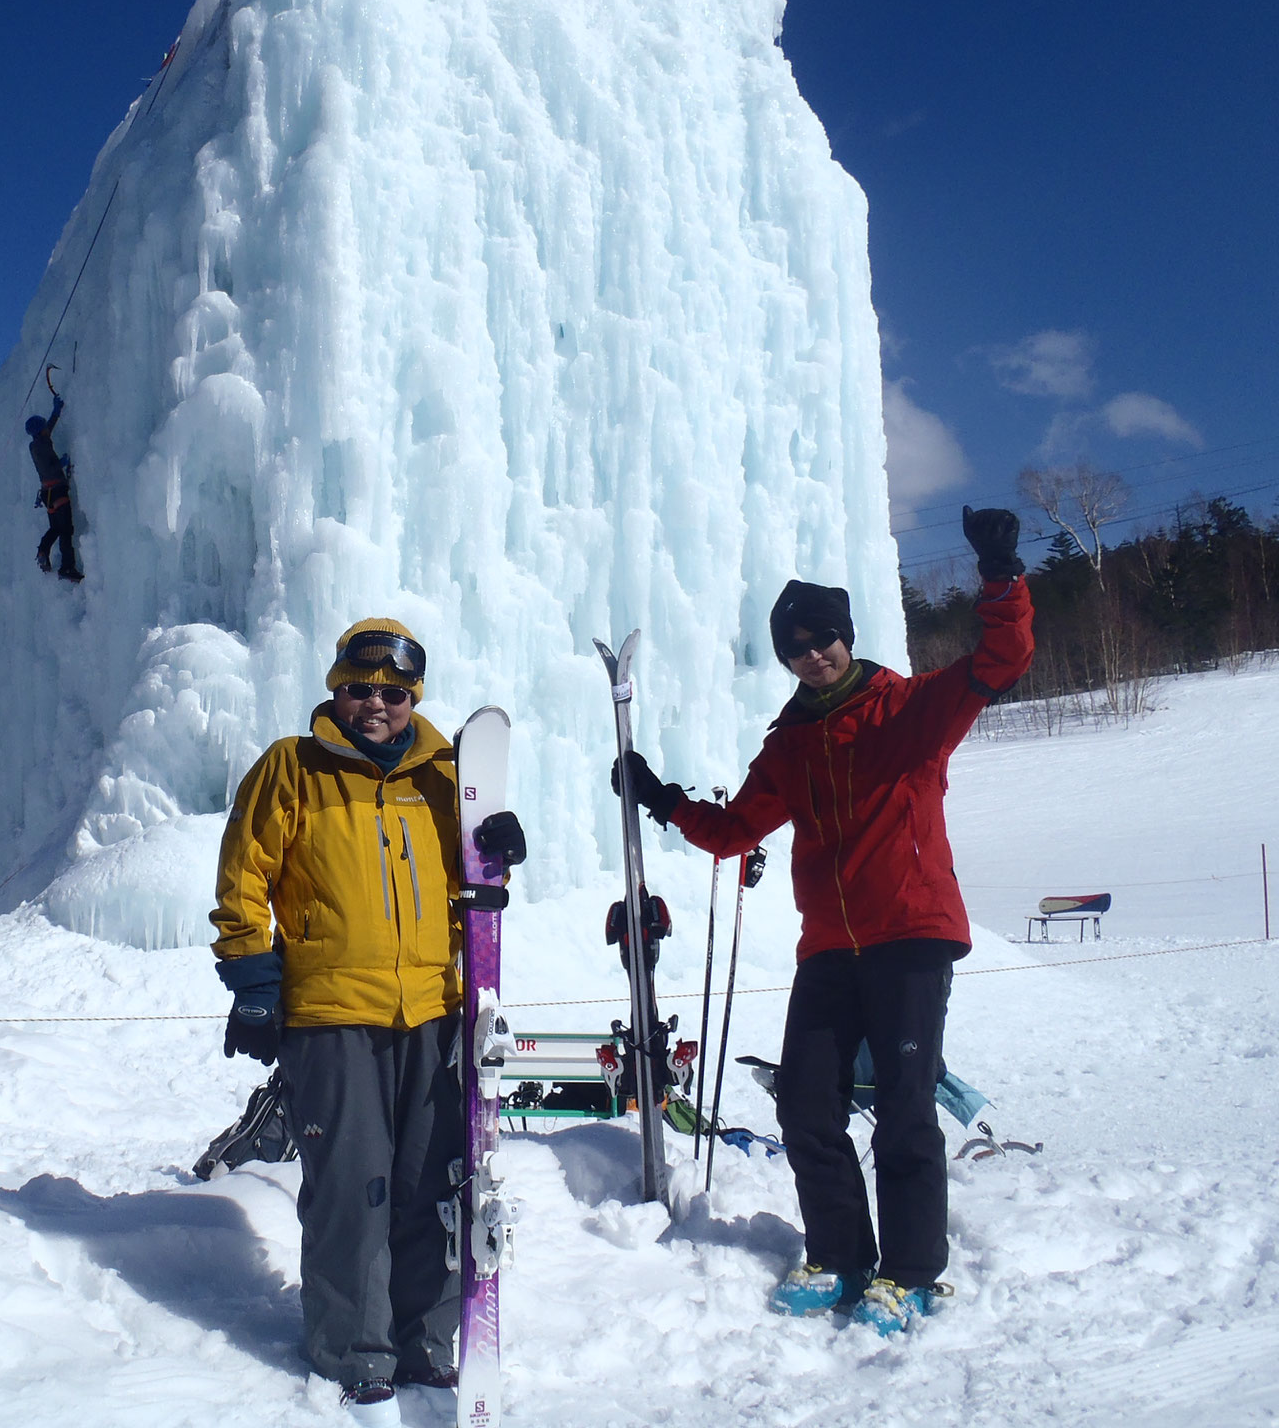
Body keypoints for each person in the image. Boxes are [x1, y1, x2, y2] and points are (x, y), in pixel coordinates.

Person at [613, 506, 1033, 1335]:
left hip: (911, 935)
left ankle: (911, 1273)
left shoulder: (909, 710)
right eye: (796, 647)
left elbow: (1003, 657)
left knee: (906, 1107)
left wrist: (1001, 577)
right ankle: (841, 1254)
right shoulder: (790, 744)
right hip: (830, 948)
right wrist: (662, 799)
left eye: (823, 639)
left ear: (845, 635)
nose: (813, 654)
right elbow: (736, 831)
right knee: (807, 1101)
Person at [210, 619, 526, 1419]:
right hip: (331, 1014)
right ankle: (353, 1347)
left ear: (413, 697)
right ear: (335, 690)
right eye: (360, 690)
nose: (375, 705)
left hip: (433, 1011)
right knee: (355, 1187)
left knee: (429, 1183)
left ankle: (423, 1341)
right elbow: (244, 876)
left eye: (393, 693)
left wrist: (503, 848)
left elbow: (475, 885)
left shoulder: (444, 774)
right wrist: (252, 978)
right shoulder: (292, 767)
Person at [25, 389, 82, 582]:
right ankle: (67, 567)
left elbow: (49, 428)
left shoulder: (37, 443)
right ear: (40, 430)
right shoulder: (42, 445)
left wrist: (56, 412)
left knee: (55, 529)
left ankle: (43, 550)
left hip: (47, 494)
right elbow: (49, 467)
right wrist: (62, 463)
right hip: (57, 490)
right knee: (65, 530)